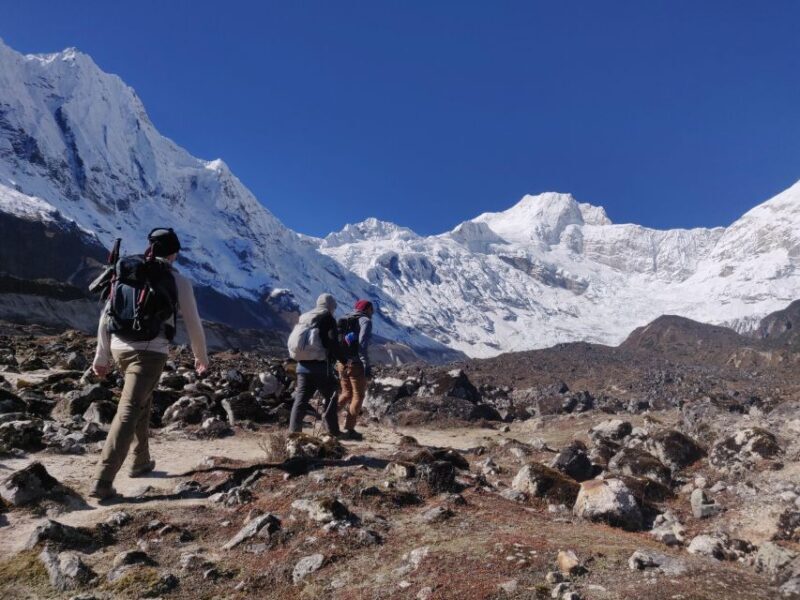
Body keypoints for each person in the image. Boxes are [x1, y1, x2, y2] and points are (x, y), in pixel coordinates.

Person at [90, 228, 208, 500]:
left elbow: (106, 313)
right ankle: (102, 479)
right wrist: (200, 358)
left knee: (142, 400)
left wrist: (101, 355)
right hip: (151, 351)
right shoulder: (177, 280)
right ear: (174, 253)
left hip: (120, 347)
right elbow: (193, 323)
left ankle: (141, 460)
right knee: (130, 409)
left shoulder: (127, 270)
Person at [288, 293, 345, 436]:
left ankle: (294, 432)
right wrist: (343, 360)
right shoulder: (327, 318)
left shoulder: (305, 317)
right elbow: (331, 342)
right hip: (320, 366)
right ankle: (332, 431)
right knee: (331, 396)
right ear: (330, 306)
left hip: (302, 366)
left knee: (300, 400)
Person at [337, 299, 374, 440]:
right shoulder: (365, 321)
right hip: (356, 363)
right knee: (358, 395)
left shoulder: (344, 318)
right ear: (368, 309)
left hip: (341, 362)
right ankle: (349, 429)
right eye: (372, 310)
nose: (373, 313)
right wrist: (366, 365)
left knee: (346, 393)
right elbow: (363, 344)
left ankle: (327, 417)